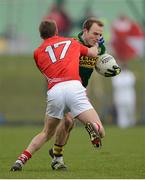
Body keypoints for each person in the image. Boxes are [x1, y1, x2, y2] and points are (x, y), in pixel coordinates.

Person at [10, 19, 106, 171]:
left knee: (47, 132)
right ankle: (92, 127)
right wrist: (96, 45)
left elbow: (46, 73)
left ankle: (21, 160)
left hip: (55, 90)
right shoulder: (71, 42)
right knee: (100, 130)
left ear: (41, 35)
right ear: (56, 31)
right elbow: (93, 53)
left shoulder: (37, 53)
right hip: (75, 87)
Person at [48, 18, 121, 170]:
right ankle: (57, 160)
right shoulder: (73, 44)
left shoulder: (99, 48)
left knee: (100, 132)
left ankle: (56, 150)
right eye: (95, 33)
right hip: (64, 90)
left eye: (100, 34)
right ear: (85, 31)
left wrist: (110, 69)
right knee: (67, 122)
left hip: (80, 93)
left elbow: (100, 65)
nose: (98, 37)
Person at [112, 63, 136, 128]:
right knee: (121, 112)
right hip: (120, 96)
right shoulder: (117, 75)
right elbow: (116, 85)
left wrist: (122, 84)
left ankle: (132, 123)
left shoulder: (130, 74)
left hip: (129, 96)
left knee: (130, 111)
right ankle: (122, 125)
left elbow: (130, 83)